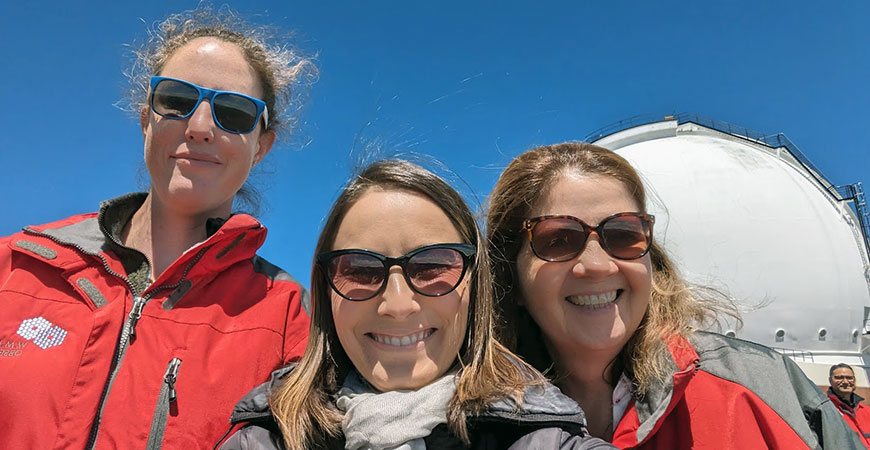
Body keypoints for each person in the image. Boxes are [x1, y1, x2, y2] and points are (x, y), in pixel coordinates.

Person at [0, 6, 314, 449]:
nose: (201, 127)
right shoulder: (14, 266)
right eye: (176, 100)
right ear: (147, 117)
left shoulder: (292, 321)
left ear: (261, 145)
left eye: (236, 112)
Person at [486, 141, 863, 449]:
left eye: (623, 234)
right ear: (511, 277)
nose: (598, 266)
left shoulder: (765, 389)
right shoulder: (470, 427)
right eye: (558, 240)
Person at [218, 159, 616, 450]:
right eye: (359, 269)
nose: (397, 305)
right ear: (326, 291)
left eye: (433, 266)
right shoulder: (263, 439)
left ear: (476, 285)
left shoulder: (542, 441)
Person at [828, 363, 870, 446]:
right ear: (830, 380)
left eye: (849, 378)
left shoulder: (866, 411)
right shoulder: (825, 410)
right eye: (839, 378)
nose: (845, 382)